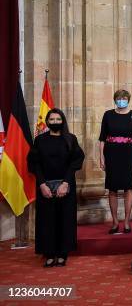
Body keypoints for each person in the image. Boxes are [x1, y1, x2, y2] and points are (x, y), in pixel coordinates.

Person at [28, 108, 84, 267]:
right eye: (51, 120)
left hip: (65, 186)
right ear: (47, 122)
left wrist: (66, 183)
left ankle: (62, 253)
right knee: (47, 221)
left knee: (64, 220)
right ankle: (49, 254)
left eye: (58, 119)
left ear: (63, 121)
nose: (55, 122)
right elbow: (34, 163)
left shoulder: (70, 139)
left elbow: (76, 162)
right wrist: (41, 184)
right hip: (45, 186)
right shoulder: (40, 140)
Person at [99, 89, 132, 234]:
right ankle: (115, 222)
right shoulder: (108, 115)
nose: (121, 100)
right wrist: (101, 157)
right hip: (111, 153)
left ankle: (126, 222)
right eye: (118, 98)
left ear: (128, 99)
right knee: (112, 188)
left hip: (129, 154)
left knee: (128, 187)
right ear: (115, 99)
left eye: (124, 98)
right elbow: (102, 138)